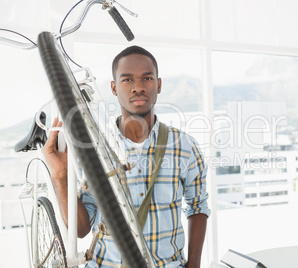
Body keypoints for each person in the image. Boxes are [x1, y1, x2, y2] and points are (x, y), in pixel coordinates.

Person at [42, 45, 211, 268]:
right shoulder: (94, 150)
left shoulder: (185, 146)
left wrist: (194, 265)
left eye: (147, 78)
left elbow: (198, 207)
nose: (138, 87)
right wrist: (61, 176)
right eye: (127, 80)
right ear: (113, 88)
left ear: (159, 85)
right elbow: (81, 229)